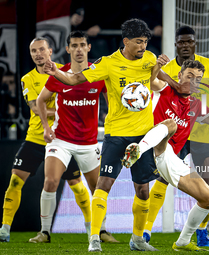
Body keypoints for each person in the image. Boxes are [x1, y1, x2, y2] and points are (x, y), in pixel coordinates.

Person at [42, 19, 191, 252]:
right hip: (116, 135)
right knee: (103, 186)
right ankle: (94, 238)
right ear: (126, 41)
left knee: (142, 189)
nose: (143, 46)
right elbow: (74, 79)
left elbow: (157, 80)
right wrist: (54, 73)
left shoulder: (150, 58)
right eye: (139, 42)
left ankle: (138, 239)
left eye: (145, 42)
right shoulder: (108, 64)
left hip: (143, 137)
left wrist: (173, 83)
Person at [122, 58, 209, 251]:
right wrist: (158, 65)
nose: (193, 81)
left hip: (169, 158)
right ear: (179, 75)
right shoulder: (166, 89)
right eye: (189, 76)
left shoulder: (198, 105)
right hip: (151, 147)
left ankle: (182, 241)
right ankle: (138, 149)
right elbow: (152, 79)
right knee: (170, 125)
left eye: (198, 78)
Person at [142, 25, 209, 247]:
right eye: (181, 42)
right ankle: (146, 230)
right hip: (177, 133)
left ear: (195, 43)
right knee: (163, 179)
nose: (185, 45)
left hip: (204, 131)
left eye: (188, 41)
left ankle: (201, 230)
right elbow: (152, 82)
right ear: (176, 44)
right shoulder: (169, 67)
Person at [28, 31, 117, 244]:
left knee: (98, 188)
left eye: (82, 45)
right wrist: (46, 127)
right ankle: (45, 232)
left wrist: (112, 120)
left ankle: (101, 230)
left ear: (88, 48)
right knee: (50, 181)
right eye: (74, 45)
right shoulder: (59, 74)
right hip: (61, 140)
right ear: (68, 49)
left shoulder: (97, 75)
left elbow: (112, 101)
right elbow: (40, 101)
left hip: (89, 142)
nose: (78, 49)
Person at [0, 37, 87, 243]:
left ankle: (93, 228)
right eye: (33, 51)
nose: (37, 54)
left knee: (76, 184)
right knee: (14, 181)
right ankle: (4, 228)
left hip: (63, 140)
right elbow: (34, 108)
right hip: (35, 138)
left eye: (41, 50)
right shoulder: (27, 78)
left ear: (50, 51)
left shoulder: (66, 73)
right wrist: (61, 110)